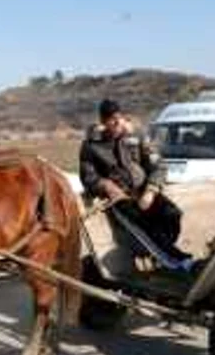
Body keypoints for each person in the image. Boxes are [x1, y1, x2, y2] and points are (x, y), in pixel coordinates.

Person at [79, 98, 192, 270]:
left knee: (173, 214)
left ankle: (161, 251)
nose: (117, 122)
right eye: (111, 118)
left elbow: (158, 165)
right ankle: (178, 262)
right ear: (103, 121)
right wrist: (107, 186)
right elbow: (88, 177)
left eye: (119, 116)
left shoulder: (136, 136)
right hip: (120, 199)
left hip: (144, 190)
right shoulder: (91, 146)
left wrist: (151, 191)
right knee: (143, 228)